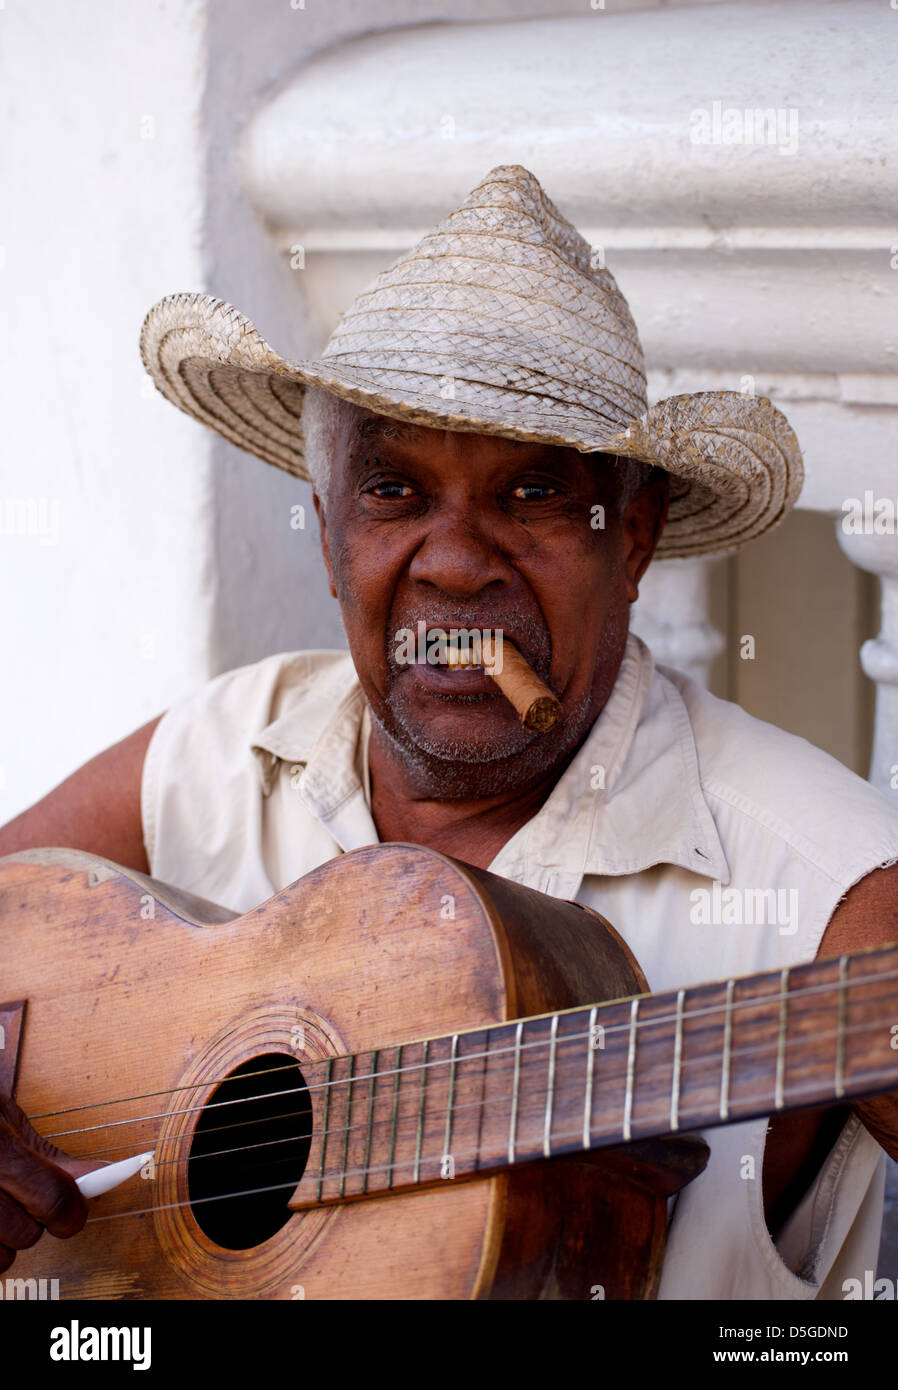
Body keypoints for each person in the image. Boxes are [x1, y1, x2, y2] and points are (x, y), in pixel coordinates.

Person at [2, 165, 897, 1299]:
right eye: (393, 490)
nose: (458, 561)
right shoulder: (228, 747)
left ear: (631, 537)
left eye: (531, 494)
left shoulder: (826, 888)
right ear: (328, 534)